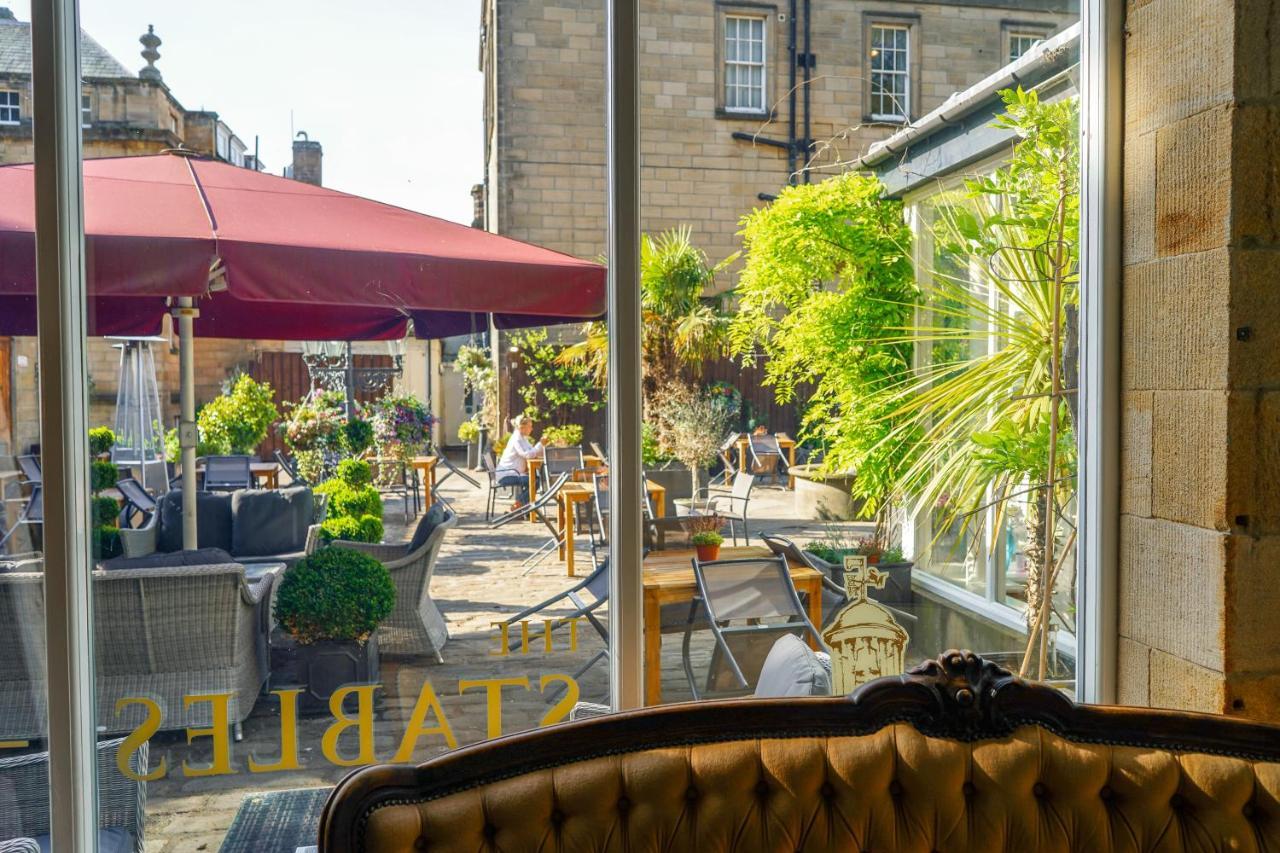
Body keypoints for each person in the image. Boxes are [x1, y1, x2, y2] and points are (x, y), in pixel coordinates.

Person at [495, 414, 544, 506]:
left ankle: (522, 507)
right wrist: (540, 444)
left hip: (515, 473)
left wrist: (541, 448)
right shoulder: (516, 439)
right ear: (522, 427)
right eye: (530, 426)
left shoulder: (523, 438)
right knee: (535, 481)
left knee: (535, 480)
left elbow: (532, 451)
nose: (532, 429)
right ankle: (518, 506)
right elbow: (527, 455)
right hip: (507, 475)